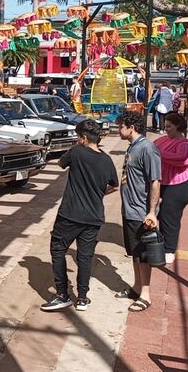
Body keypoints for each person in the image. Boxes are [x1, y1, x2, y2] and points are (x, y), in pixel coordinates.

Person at [40, 120, 119, 312]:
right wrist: (98, 193)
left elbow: (60, 163)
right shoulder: (107, 160)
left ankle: (62, 295)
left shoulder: (76, 152)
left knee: (58, 250)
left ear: (83, 138)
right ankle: (82, 298)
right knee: (85, 257)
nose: (77, 140)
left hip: (70, 214)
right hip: (94, 216)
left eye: (78, 137)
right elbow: (114, 186)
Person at [115, 111, 162, 312]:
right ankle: (136, 287)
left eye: (120, 126)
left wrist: (151, 212)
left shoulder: (147, 149)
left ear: (131, 127)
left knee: (143, 255)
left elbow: (155, 181)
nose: (118, 130)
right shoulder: (133, 147)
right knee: (134, 252)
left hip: (140, 212)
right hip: (129, 209)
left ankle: (146, 294)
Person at [154, 113, 188, 264]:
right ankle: (158, 242)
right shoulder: (162, 139)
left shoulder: (184, 144)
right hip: (162, 182)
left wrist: (159, 153)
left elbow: (182, 160)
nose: (166, 130)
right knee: (157, 213)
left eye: (169, 127)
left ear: (178, 126)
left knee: (169, 217)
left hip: (178, 186)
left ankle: (169, 249)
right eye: (165, 127)